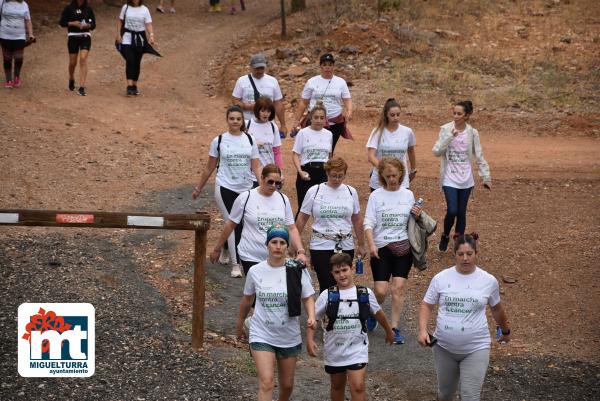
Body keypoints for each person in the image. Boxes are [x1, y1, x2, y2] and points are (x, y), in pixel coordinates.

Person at [418, 233, 511, 401]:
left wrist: (505, 330)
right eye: (461, 254)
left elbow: (496, 308)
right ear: (455, 255)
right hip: (444, 348)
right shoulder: (441, 278)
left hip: (476, 347)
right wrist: (423, 330)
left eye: (469, 254)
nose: (465, 258)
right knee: (445, 394)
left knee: (470, 396)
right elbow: (426, 305)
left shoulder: (488, 281)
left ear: (476, 254)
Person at [236, 224, 316, 401]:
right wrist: (240, 324)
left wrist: (311, 316)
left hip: (288, 334)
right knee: (267, 382)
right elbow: (247, 300)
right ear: (267, 245)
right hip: (261, 333)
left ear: (288, 246)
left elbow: (308, 297)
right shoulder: (256, 271)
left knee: (287, 385)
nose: (278, 246)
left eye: (282, 242)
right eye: (274, 242)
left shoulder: (296, 269)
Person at [307, 253, 394, 401]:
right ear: (332, 274)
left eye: (344, 270)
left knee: (358, 386)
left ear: (352, 269)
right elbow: (313, 318)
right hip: (334, 349)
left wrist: (389, 330)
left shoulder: (365, 293)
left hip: (357, 348)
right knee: (337, 385)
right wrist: (309, 340)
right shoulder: (326, 295)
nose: (341, 275)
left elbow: (378, 313)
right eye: (337, 272)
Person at [192, 105, 261, 278]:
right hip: (225, 186)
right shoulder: (219, 141)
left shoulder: (250, 140)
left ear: (242, 121)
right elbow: (210, 167)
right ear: (227, 120)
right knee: (232, 222)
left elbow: (256, 167)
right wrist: (199, 188)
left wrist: (265, 187)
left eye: (238, 119)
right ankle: (236, 264)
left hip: (245, 187)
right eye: (232, 119)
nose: (235, 122)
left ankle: (225, 247)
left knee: (243, 224)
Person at [363, 157, 422, 344]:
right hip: (381, 247)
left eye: (395, 175)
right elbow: (368, 222)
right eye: (388, 176)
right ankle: (373, 311)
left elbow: (412, 222)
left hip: (403, 247)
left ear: (401, 175)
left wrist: (417, 215)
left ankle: (395, 327)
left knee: (398, 288)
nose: (392, 179)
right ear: (381, 176)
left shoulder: (408, 195)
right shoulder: (376, 196)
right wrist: (371, 245)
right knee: (381, 291)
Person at [209, 164, 307, 276]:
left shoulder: (283, 200)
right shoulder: (246, 198)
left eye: (278, 183)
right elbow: (230, 225)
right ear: (262, 178)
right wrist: (217, 249)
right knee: (258, 292)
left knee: (272, 291)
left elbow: (291, 227)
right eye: (270, 182)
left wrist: (301, 251)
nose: (273, 186)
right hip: (250, 256)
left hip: (276, 256)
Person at [295, 157, 365, 293]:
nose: (337, 179)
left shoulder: (351, 192)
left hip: (345, 244)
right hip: (321, 245)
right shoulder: (314, 191)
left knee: (343, 282)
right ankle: (327, 313)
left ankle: (341, 313)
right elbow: (302, 219)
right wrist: (295, 245)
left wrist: (361, 244)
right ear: (327, 173)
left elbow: (357, 219)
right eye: (334, 176)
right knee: (327, 284)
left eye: (340, 176)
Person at [433, 100, 491, 252]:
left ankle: (459, 244)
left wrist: (486, 177)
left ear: (467, 115)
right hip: (449, 177)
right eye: (454, 113)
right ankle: (445, 235)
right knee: (452, 210)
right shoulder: (446, 129)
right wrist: (449, 137)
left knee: (461, 212)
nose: (456, 116)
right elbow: (436, 151)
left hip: (466, 179)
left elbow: (479, 155)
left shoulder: (472, 133)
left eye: (459, 114)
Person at [293, 53, 352, 153]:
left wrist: (349, 111)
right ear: (320, 66)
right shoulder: (312, 82)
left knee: (329, 149)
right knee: (311, 147)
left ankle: (326, 168)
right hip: (315, 120)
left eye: (330, 64)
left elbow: (347, 99)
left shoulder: (341, 82)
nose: (327, 67)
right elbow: (303, 102)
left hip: (335, 122)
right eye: (324, 64)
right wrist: (296, 120)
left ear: (333, 66)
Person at [366, 98, 417, 191]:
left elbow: (411, 151)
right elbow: (371, 156)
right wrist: (385, 170)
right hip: (379, 180)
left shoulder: (407, 132)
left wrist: (413, 170)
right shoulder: (377, 131)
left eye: (398, 114)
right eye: (392, 115)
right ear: (386, 115)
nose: (396, 117)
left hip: (401, 179)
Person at [232, 53, 287, 136]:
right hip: (248, 123)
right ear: (251, 67)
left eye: (262, 68)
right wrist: (247, 107)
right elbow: (235, 100)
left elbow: (278, 104)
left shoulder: (273, 81)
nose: (260, 71)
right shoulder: (242, 81)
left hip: (268, 124)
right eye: (257, 68)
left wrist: (283, 125)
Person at [292, 102, 333, 214]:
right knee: (303, 208)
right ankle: (296, 232)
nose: (319, 120)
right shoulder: (303, 133)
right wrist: (300, 171)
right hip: (306, 173)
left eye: (322, 118)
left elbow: (329, 156)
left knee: (322, 208)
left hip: (323, 173)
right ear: (310, 118)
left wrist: (330, 173)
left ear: (325, 119)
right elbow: (295, 154)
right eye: (316, 117)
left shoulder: (329, 134)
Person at [116, 0, 156, 96]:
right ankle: (129, 86)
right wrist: (118, 34)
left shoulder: (145, 10)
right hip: (126, 37)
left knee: (137, 62)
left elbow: (148, 24)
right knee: (130, 60)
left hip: (140, 38)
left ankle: (134, 85)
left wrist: (151, 35)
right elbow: (120, 21)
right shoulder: (125, 8)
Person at [59, 0, 96, 96]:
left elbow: (93, 25)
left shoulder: (88, 9)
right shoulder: (69, 8)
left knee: (83, 58)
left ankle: (81, 87)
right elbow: (62, 22)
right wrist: (73, 23)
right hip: (73, 36)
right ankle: (71, 78)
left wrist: (88, 25)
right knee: (72, 63)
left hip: (85, 36)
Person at [0, 0, 34, 88]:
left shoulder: (24, 4)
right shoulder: (2, 2)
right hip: (4, 34)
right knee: (7, 58)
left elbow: (28, 20)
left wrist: (30, 34)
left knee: (18, 57)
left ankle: (16, 77)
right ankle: (8, 79)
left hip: (19, 36)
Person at [246, 96, 284, 175]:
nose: (266, 114)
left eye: (268, 111)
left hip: (268, 173)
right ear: (257, 110)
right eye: (263, 111)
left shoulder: (273, 127)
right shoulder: (247, 125)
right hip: (250, 174)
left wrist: (280, 172)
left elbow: (277, 152)